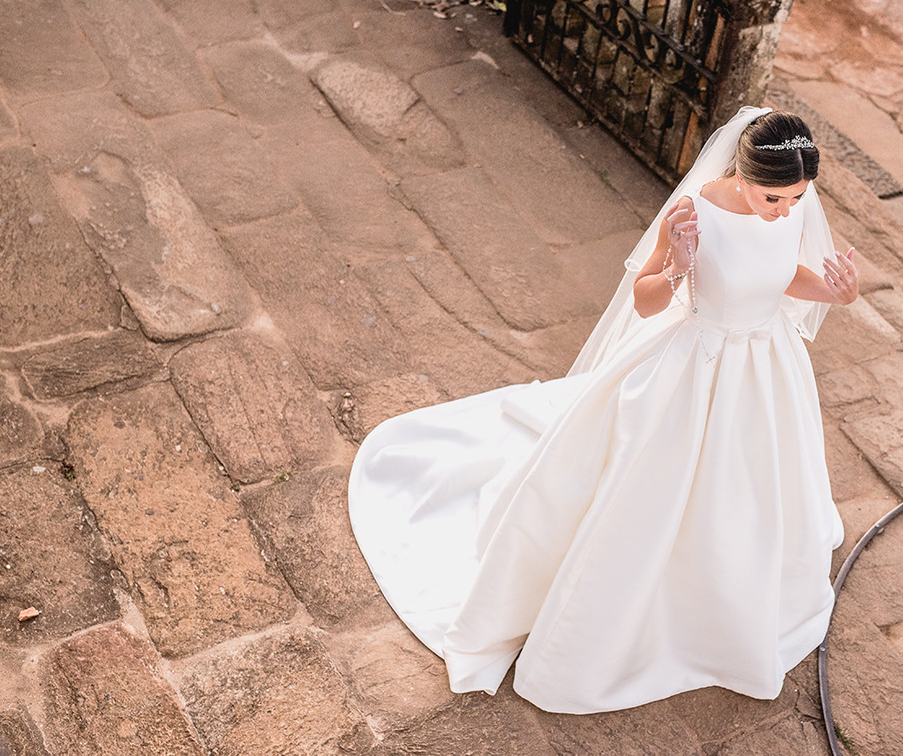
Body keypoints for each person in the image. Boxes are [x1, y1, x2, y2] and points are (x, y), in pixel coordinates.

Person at [348, 106, 858, 714]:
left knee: (751, 485)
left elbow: (781, 276)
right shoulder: (693, 215)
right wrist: (678, 266)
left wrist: (835, 290)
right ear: (744, 175)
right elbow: (645, 302)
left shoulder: (789, 207)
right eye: (776, 198)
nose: (787, 211)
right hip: (693, 365)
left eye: (798, 198)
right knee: (651, 486)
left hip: (765, 369)